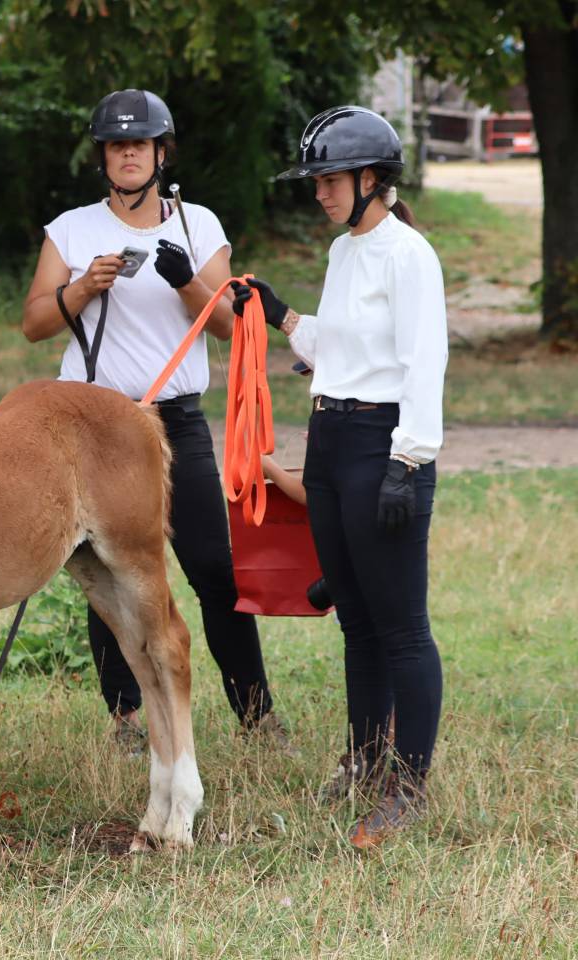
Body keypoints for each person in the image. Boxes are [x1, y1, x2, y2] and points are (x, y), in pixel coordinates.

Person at [21, 88, 284, 751]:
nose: (128, 153)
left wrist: (185, 282)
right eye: (116, 144)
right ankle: (126, 719)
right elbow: (32, 324)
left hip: (176, 422)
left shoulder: (198, 225)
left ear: (162, 153)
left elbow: (227, 325)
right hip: (97, 429)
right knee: (105, 573)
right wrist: (82, 287)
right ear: (103, 157)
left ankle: (256, 714)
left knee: (213, 571)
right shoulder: (73, 229)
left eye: (140, 143)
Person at [232, 106, 447, 847]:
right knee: (355, 619)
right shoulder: (345, 252)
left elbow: (423, 363)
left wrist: (407, 461)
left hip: (382, 444)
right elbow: (344, 347)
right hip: (329, 435)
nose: (318, 193)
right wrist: (281, 314)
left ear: (371, 179)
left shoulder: (407, 254)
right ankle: (363, 759)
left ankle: (409, 785)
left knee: (402, 629)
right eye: (316, 181)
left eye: (328, 180)